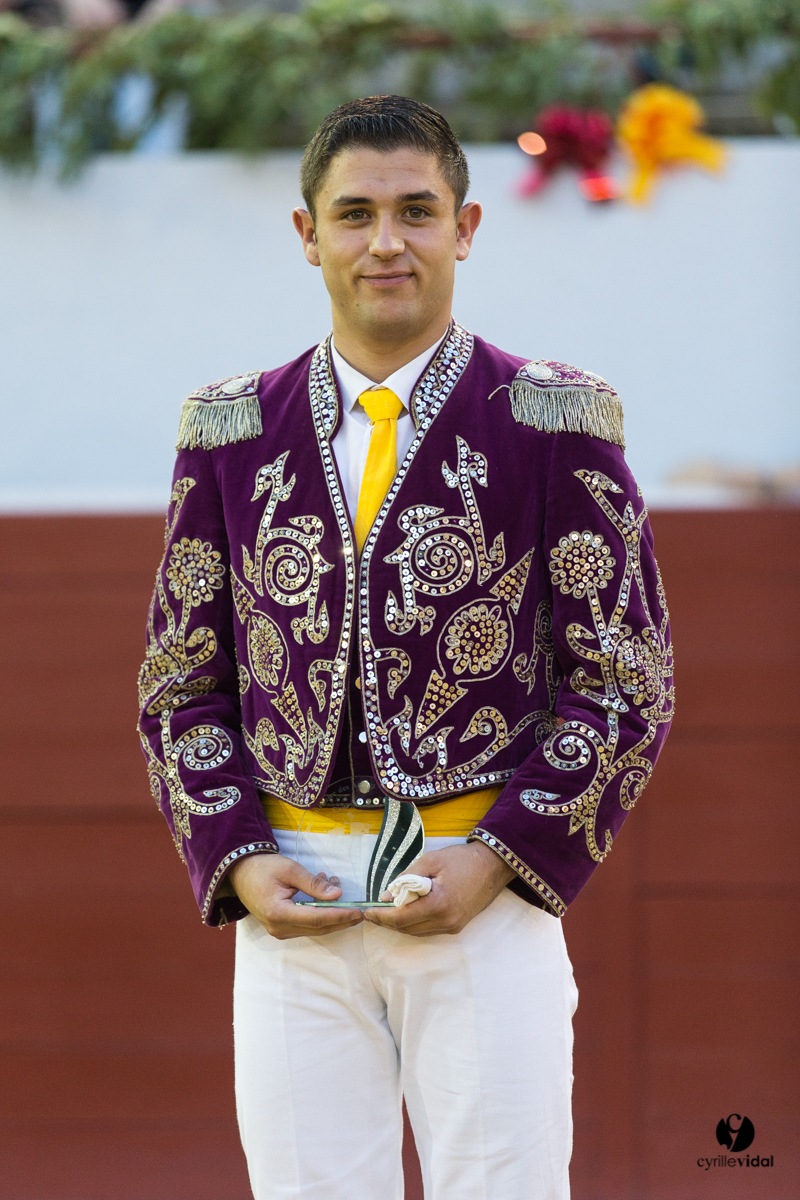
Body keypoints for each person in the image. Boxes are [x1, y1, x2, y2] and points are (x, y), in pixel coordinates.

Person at [137, 94, 674, 1200]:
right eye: (355, 214)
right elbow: (180, 685)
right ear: (308, 236)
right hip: (292, 915)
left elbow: (622, 680)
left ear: (464, 228)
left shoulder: (550, 419)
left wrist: (498, 859)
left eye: (416, 212)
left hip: (482, 893)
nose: (386, 242)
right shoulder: (228, 431)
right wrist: (235, 855)